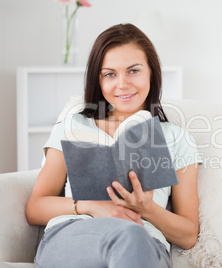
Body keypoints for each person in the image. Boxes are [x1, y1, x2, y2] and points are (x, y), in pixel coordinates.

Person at [26, 23, 201, 268]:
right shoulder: (72, 126)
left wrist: (147, 209)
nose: (122, 84)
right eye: (110, 74)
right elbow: (35, 207)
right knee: (125, 237)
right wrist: (93, 207)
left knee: (131, 237)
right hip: (74, 236)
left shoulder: (176, 138)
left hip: (144, 242)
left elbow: (189, 235)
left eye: (133, 71)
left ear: (151, 72)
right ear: (98, 80)